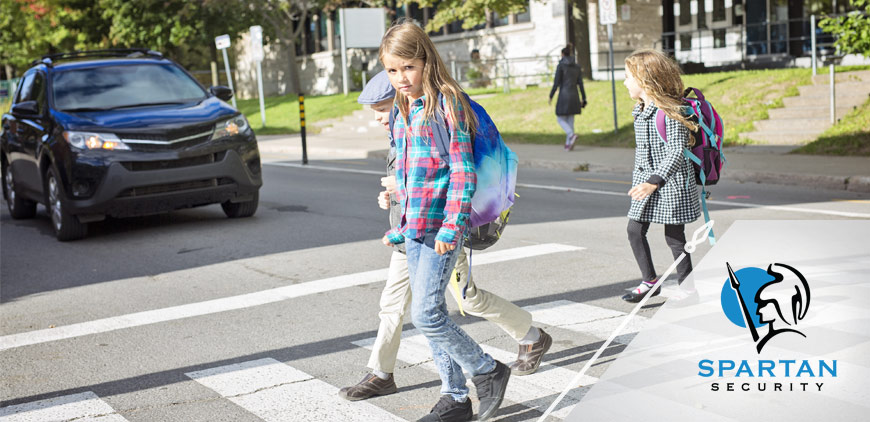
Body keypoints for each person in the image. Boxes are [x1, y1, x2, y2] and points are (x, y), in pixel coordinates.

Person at [341, 71, 552, 411]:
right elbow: (411, 181)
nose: (377, 118)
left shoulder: (433, 117)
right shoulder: (400, 130)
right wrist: (392, 198)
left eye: (381, 108)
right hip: (409, 235)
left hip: (441, 232)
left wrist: (404, 191)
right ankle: (384, 373)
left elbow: (450, 177)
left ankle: (530, 337)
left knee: (463, 301)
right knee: (395, 306)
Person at [378, 22, 510, 422]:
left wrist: (453, 227)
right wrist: (397, 207)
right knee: (429, 313)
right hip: (415, 227)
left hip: (441, 229)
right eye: (392, 70)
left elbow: (461, 171)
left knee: (427, 316)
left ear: (426, 61)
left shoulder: (447, 102)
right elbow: (412, 172)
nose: (401, 78)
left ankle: (487, 370)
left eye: (408, 67)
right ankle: (454, 398)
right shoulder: (402, 109)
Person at [619, 49, 701, 303]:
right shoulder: (641, 110)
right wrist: (645, 181)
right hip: (646, 182)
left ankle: (689, 292)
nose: (624, 82)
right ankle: (650, 281)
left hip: (671, 182)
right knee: (634, 230)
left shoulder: (669, 111)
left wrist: (655, 181)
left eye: (627, 77)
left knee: (674, 238)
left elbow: (677, 150)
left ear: (644, 80)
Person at [549, 44, 587, 151]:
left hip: (564, 95)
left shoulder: (561, 66)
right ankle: (568, 144)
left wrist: (551, 95)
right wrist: (584, 98)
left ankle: (571, 135)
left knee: (560, 118)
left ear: (562, 54)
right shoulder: (576, 66)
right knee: (570, 119)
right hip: (575, 95)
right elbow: (581, 84)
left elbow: (556, 83)